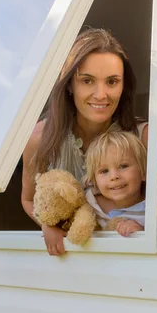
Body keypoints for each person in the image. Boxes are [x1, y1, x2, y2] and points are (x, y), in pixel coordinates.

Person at [21, 28, 148, 256]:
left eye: (112, 82)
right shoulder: (39, 138)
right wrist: (47, 224)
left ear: (123, 86)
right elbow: (29, 199)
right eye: (87, 81)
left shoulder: (143, 136)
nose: (101, 94)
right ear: (69, 84)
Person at [83, 131, 146, 237]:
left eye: (123, 166)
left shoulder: (150, 210)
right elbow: (60, 212)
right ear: (95, 181)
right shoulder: (90, 203)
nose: (114, 176)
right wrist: (49, 229)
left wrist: (142, 232)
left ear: (143, 172)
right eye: (104, 171)